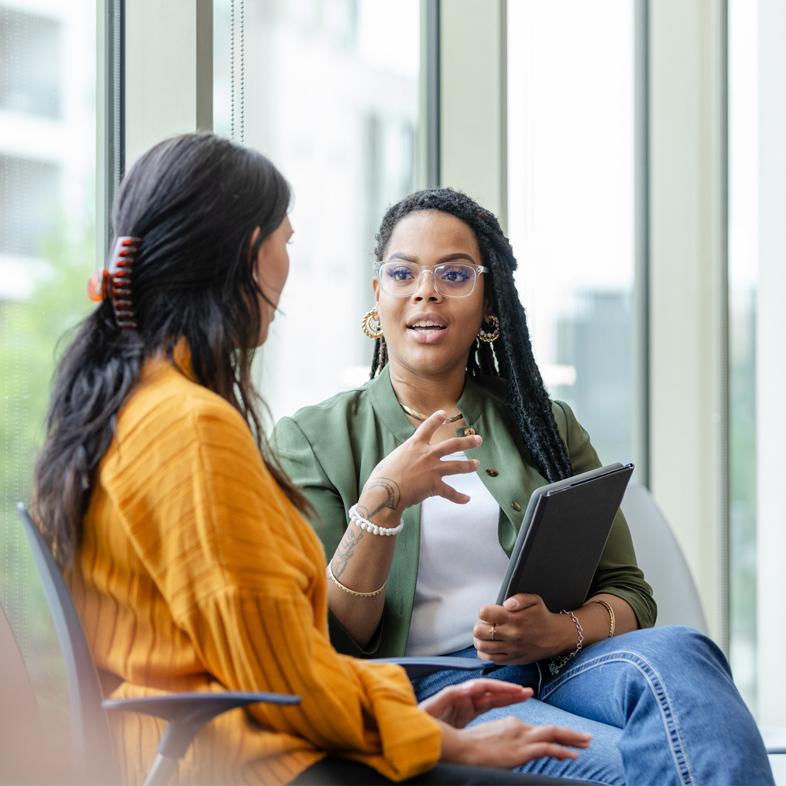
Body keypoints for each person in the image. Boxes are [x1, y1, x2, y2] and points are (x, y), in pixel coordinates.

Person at [29, 134, 593, 786]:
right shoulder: (191, 431)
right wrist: (434, 739)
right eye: (287, 243)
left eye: (454, 274)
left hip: (216, 743)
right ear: (252, 254)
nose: (426, 294)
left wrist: (410, 718)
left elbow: (274, 660)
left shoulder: (132, 408)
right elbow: (280, 674)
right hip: (248, 761)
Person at [273, 187, 775, 786]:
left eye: (454, 273)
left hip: (570, 665)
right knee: (627, 767)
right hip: (439, 684)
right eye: (402, 272)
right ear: (378, 296)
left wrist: (555, 632)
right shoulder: (310, 437)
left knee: (686, 654)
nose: (426, 290)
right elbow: (337, 634)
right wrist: (385, 495)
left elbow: (630, 594)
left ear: (490, 306)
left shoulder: (546, 426)